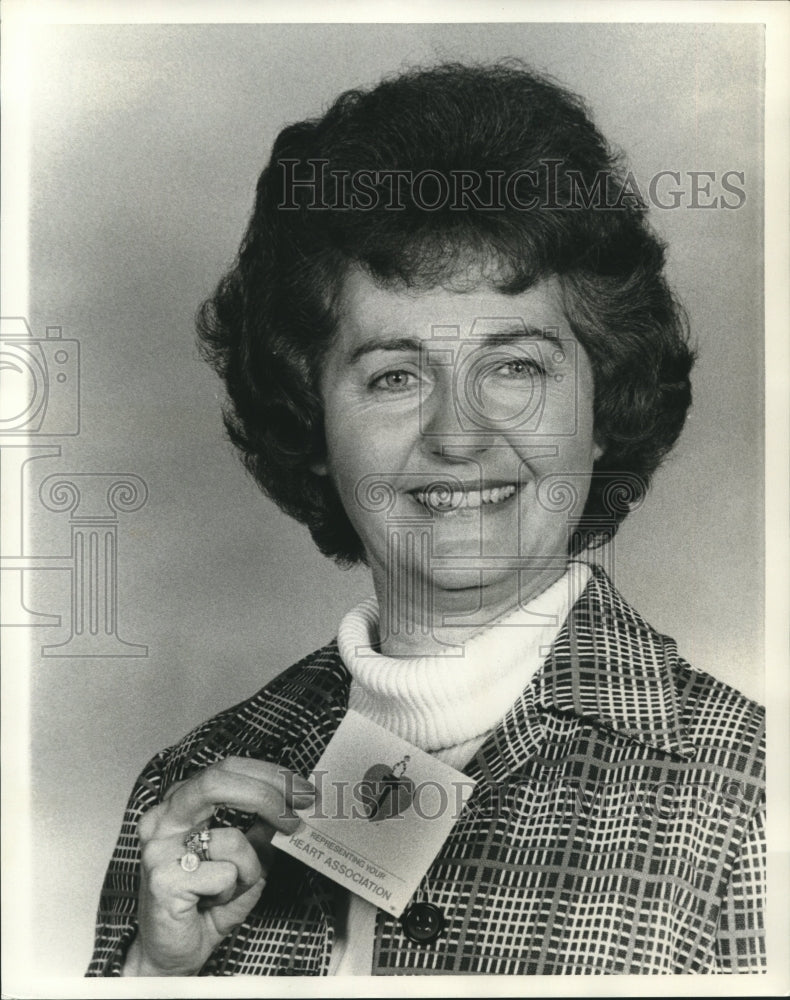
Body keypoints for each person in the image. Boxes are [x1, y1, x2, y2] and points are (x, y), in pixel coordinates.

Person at [86, 61, 765, 976]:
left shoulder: (753, 802)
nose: (458, 435)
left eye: (516, 366)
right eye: (394, 376)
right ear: (314, 417)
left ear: (603, 406)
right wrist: (156, 980)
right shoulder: (196, 789)